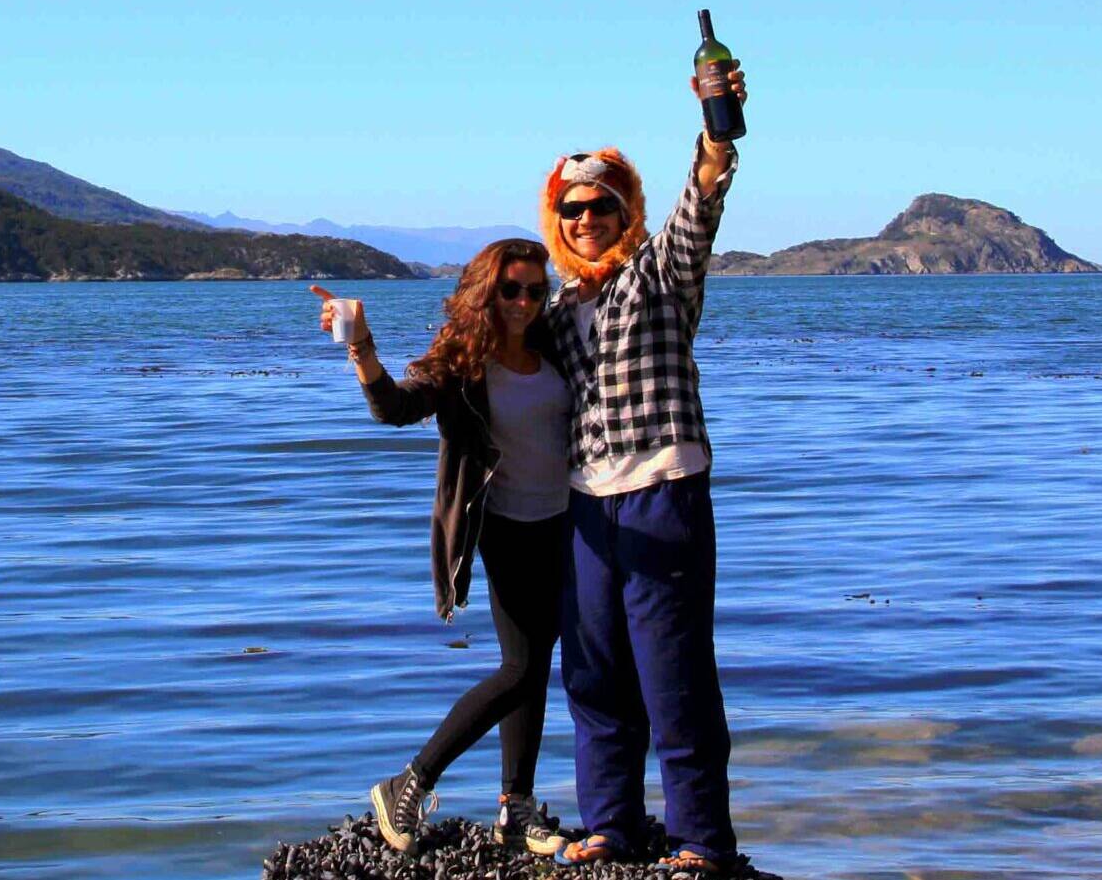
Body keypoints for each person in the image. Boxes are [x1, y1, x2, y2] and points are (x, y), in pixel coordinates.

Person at [540, 66, 777, 878]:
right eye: (570, 209)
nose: (584, 219)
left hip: (663, 491)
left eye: (599, 204)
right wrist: (366, 355)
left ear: (625, 208)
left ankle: (702, 840)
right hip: (585, 507)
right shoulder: (556, 309)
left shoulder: (661, 273)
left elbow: (702, 203)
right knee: (595, 673)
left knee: (674, 675)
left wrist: (716, 131)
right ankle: (609, 822)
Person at [307, 238, 572, 858]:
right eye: (511, 289)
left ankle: (516, 807)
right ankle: (412, 779)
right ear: (487, 289)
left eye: (537, 290)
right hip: (505, 524)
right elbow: (395, 407)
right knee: (522, 669)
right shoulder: (462, 361)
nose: (525, 301)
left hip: (565, 523)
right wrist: (361, 347)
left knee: (532, 671)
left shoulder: (555, 345)